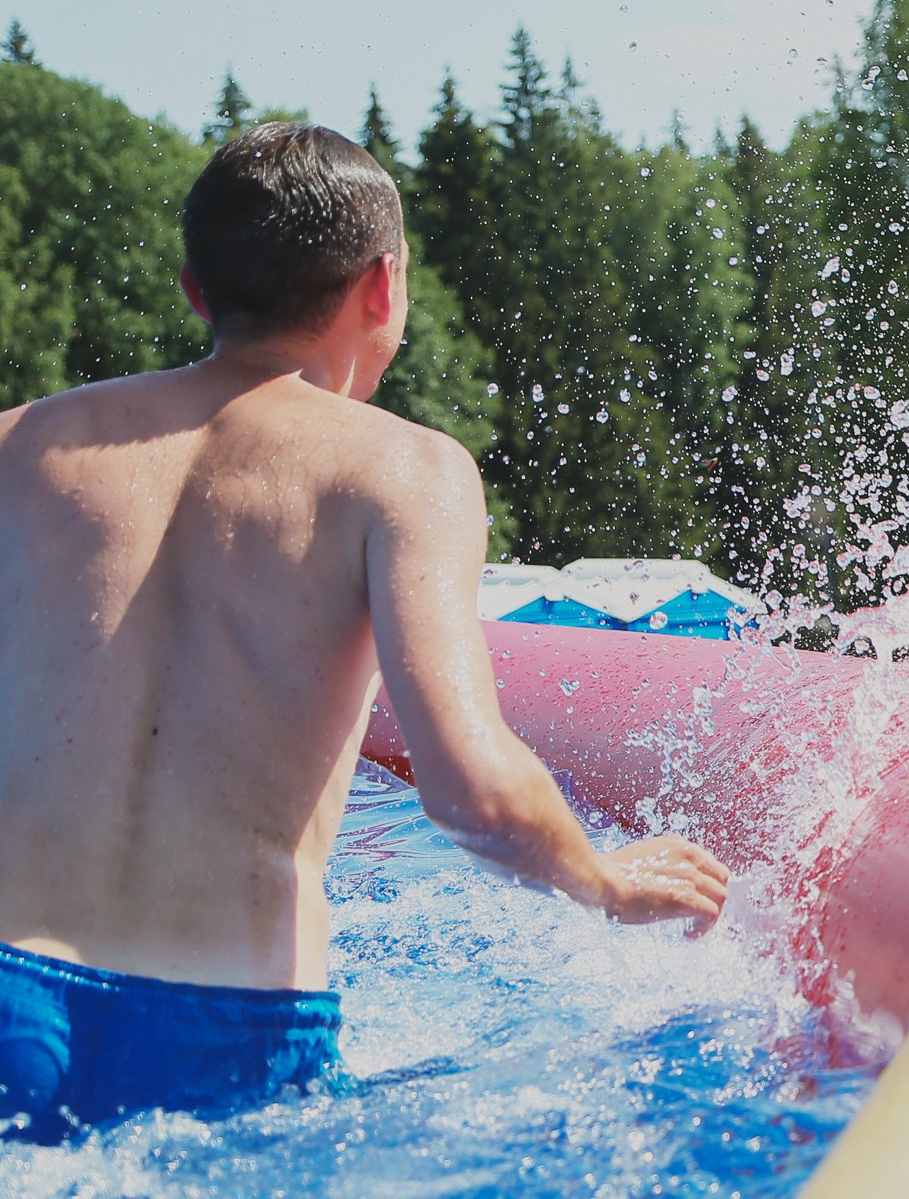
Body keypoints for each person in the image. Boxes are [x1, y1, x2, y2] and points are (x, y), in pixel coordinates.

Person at [0, 123, 730, 1142]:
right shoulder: (403, 471)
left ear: (195, 291)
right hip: (231, 1032)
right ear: (383, 288)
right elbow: (474, 790)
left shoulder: (21, 443)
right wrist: (604, 880)